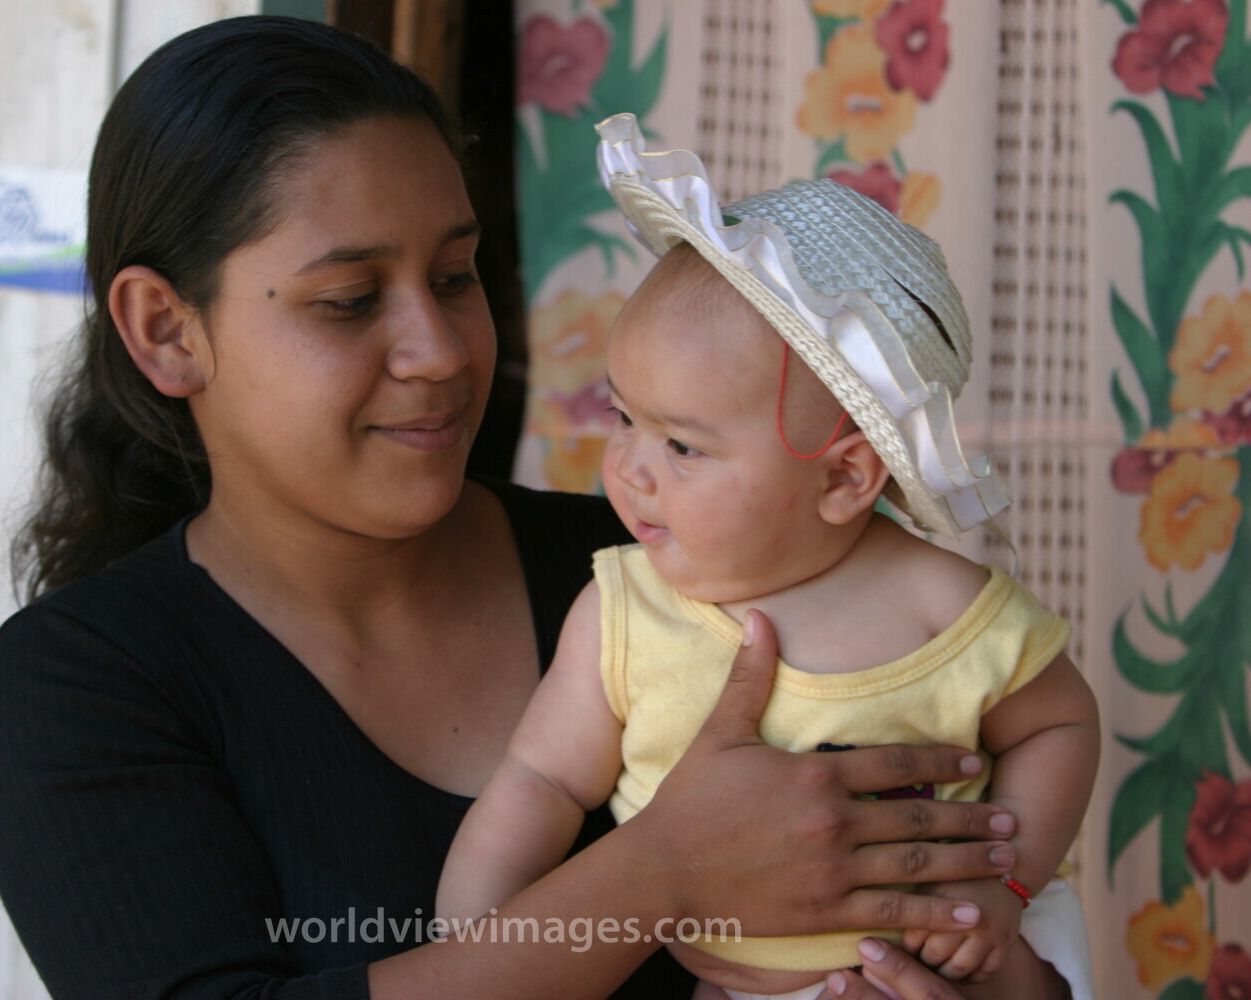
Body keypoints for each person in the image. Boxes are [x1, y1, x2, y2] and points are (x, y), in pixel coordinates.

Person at [0, 17, 1070, 1000]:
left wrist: (989, 975)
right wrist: (661, 871)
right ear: (167, 330)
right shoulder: (85, 683)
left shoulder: (660, 562)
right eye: (349, 300)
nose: (442, 350)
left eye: (457, 277)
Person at [437, 115, 1100, 1000]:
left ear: (844, 478)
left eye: (683, 445)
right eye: (624, 417)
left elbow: (1060, 726)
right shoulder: (623, 610)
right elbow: (543, 779)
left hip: (937, 973)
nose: (628, 468)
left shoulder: (947, 609)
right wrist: (477, 940)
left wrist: (1006, 886)